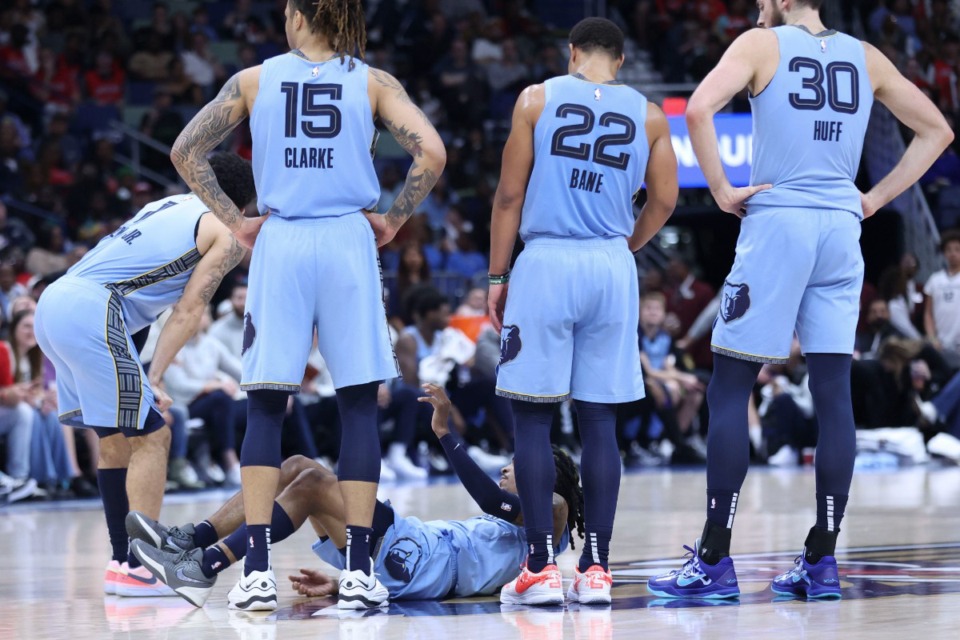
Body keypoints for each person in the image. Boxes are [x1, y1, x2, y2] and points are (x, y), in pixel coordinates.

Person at [648, 0, 953, 601]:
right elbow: (938, 130)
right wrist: (872, 199)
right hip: (841, 227)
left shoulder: (760, 45)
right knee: (833, 393)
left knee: (730, 386)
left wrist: (719, 188)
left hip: (780, 220)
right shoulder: (864, 55)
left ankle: (713, 559)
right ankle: (822, 559)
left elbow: (700, 108)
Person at [167, 0, 445, 611]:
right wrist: (394, 219)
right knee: (358, 410)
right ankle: (361, 572)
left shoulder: (255, 79)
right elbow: (433, 153)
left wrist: (234, 220)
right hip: (348, 239)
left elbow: (186, 151)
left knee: (266, 407)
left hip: (283, 238)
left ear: (296, 15)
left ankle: (258, 571)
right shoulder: (374, 81)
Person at [487, 17, 678, 605]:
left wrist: (498, 275)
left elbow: (510, 195)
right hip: (609, 266)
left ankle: (541, 567)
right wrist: (627, 245)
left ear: (572, 54)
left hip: (547, 260)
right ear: (620, 62)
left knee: (533, 420)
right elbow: (666, 199)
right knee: (600, 422)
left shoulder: (536, 98)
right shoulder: (649, 115)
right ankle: (595, 568)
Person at [125, 383, 584, 607]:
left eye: (519, 466)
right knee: (298, 466)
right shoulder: (519, 523)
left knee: (308, 485)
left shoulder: (553, 520)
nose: (506, 467)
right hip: (411, 554)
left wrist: (445, 434)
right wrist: (342, 585)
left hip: (422, 558)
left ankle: (206, 567)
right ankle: (192, 540)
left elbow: (490, 501)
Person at [33, 152, 257, 597]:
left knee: (116, 443)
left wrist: (144, 373)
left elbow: (141, 303)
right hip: (94, 311)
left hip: (55, 305)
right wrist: (155, 379)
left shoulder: (163, 205)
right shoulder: (226, 232)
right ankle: (141, 566)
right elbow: (188, 309)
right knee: (155, 437)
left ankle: (122, 565)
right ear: (245, 203)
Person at [923, 230, 960, 366]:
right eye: (949, 249)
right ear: (944, 253)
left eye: (957, 249)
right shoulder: (935, 279)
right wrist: (932, 338)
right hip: (941, 343)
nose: (953, 253)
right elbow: (928, 313)